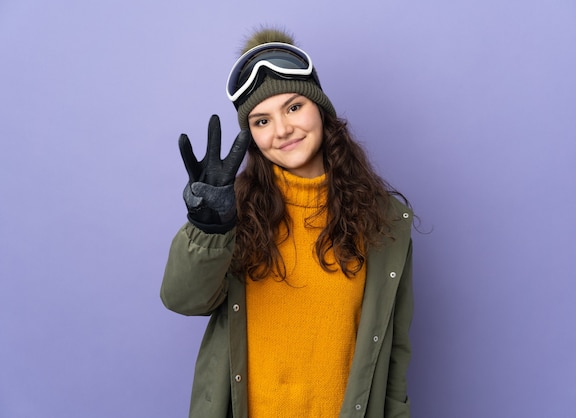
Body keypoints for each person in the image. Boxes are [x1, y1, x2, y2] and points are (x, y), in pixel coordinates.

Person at [161, 28, 414, 418]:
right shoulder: (234, 213)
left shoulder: (385, 222)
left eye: (294, 107)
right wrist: (208, 230)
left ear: (320, 108)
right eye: (261, 121)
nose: (281, 130)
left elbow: (394, 353)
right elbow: (184, 299)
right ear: (251, 137)